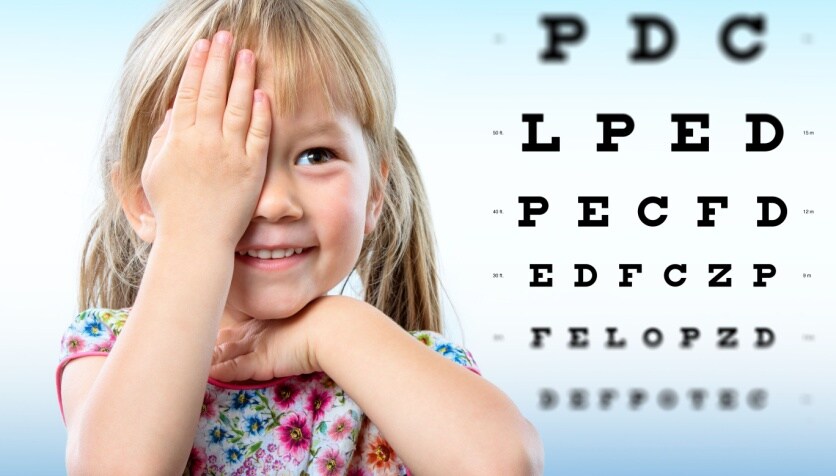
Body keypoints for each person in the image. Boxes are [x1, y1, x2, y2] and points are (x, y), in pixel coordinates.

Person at [56, 0, 544, 474]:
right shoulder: (106, 350)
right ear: (144, 201)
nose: (273, 203)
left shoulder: (413, 363)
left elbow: (502, 465)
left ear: (375, 192)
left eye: (316, 155)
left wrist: (330, 330)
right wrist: (192, 232)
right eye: (221, 165)